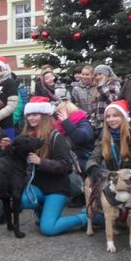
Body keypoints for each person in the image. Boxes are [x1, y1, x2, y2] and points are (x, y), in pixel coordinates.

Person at [20, 96, 88, 236]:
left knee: (48, 229)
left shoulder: (56, 137)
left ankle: (86, 217)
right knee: (24, 200)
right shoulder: (26, 136)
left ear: (45, 116)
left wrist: (41, 162)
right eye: (29, 115)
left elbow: (65, 166)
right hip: (38, 186)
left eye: (35, 114)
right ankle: (42, 210)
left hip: (57, 188)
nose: (31, 118)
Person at [85, 100, 131, 238]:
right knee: (93, 182)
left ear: (123, 117)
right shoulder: (104, 137)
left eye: (115, 115)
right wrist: (94, 169)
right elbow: (92, 159)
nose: (111, 119)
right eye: (108, 116)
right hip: (113, 177)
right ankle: (118, 216)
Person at [91, 64, 120, 133]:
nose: (98, 77)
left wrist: (101, 87)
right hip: (99, 124)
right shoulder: (98, 86)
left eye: (100, 74)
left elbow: (112, 100)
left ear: (106, 74)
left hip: (110, 121)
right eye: (96, 75)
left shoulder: (113, 82)